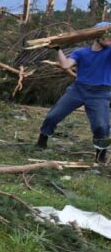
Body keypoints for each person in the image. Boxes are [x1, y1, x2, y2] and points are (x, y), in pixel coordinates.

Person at [36, 21, 111, 163]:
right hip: (78, 89)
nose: (109, 39)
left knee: (101, 126)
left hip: (100, 93)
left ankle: (101, 155)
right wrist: (58, 49)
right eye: (106, 36)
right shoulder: (81, 52)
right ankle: (42, 140)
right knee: (53, 115)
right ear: (96, 36)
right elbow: (66, 65)